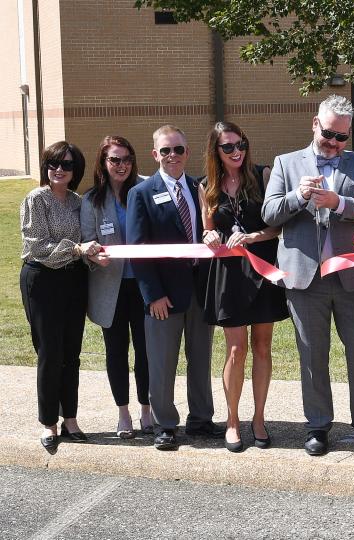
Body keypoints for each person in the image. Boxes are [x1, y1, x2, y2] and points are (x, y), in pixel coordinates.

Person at [262, 94, 354, 456]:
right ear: (315, 124)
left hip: (350, 274)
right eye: (329, 135)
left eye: (342, 137)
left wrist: (339, 204)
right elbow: (270, 213)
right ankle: (318, 424)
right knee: (311, 353)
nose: (335, 143)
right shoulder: (286, 163)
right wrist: (297, 197)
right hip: (304, 278)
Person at [127, 125, 221, 451]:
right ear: (155, 155)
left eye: (178, 150)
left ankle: (201, 419)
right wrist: (152, 294)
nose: (172, 156)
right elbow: (137, 250)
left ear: (187, 152)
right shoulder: (141, 193)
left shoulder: (201, 189)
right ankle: (165, 425)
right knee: (162, 363)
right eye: (165, 151)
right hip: (163, 296)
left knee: (201, 359)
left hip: (199, 291)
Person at [199, 121, 288, 452]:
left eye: (241, 144)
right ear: (216, 152)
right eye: (228, 147)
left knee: (262, 347)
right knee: (236, 349)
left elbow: (278, 227)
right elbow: (208, 230)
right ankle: (233, 420)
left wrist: (252, 236)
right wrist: (209, 235)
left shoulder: (263, 176)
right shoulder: (206, 186)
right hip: (228, 274)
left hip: (262, 269)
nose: (237, 151)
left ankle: (259, 418)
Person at [21, 141, 103, 450]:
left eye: (67, 165)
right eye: (54, 164)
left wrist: (93, 253)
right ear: (46, 167)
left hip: (73, 281)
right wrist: (77, 249)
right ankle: (48, 422)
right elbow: (38, 247)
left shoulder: (77, 201)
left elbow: (87, 242)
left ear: (75, 171)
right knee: (50, 353)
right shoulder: (36, 199)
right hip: (42, 281)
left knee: (71, 353)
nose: (59, 170)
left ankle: (70, 418)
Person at [80, 135, 151, 439]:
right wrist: (93, 254)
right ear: (103, 163)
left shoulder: (146, 188)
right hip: (111, 289)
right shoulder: (91, 200)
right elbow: (85, 243)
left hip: (145, 286)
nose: (121, 165)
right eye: (114, 159)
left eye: (126, 159)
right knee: (116, 352)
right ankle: (123, 413)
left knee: (147, 352)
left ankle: (146, 410)